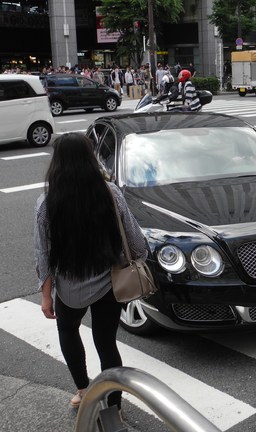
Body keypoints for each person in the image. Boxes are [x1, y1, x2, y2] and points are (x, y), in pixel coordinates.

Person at [35, 133, 147, 412]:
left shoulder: (47, 204)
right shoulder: (111, 194)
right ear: (90, 159)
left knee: (68, 329)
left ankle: (84, 390)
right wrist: (139, 259)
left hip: (70, 288)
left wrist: (46, 296)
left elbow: (44, 255)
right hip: (109, 284)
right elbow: (135, 241)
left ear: (57, 163)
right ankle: (113, 403)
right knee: (106, 342)